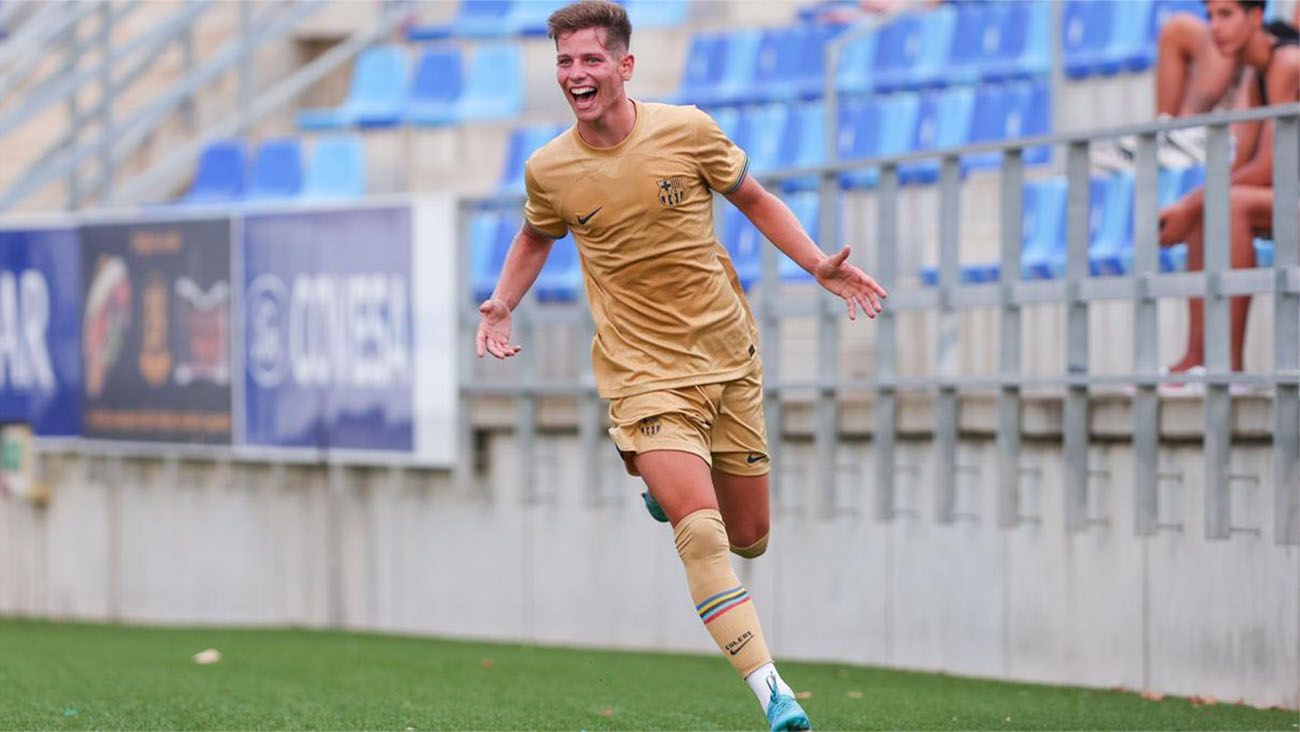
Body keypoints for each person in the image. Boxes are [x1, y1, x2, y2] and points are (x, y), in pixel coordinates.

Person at [473, 2, 888, 729]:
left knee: (749, 537)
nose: (576, 74)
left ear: (624, 66)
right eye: (566, 62)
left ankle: (664, 481)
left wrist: (817, 262)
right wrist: (503, 303)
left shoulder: (689, 131)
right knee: (699, 534)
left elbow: (754, 201)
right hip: (642, 375)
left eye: (590, 60)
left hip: (728, 358)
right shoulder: (550, 168)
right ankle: (774, 695)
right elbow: (537, 237)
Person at [1158, 0, 1299, 376]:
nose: (1215, 28)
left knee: (1230, 204)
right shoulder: (1258, 76)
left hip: (1291, 191)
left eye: (1226, 15)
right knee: (1214, 204)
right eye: (1210, 17)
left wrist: (1190, 204)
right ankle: (1197, 357)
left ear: (1255, 18)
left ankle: (1229, 367)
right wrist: (1195, 205)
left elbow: (1270, 168)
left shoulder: (1287, 64)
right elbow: (1240, 167)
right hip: (1289, 195)